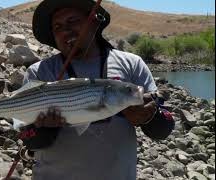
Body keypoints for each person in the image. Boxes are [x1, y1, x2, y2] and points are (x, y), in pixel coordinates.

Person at [20, 0, 175, 179]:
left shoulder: (132, 64)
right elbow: (27, 138)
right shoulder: (39, 72)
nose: (65, 30)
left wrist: (150, 117)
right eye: (57, 27)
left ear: (93, 21)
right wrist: (43, 130)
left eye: (73, 21)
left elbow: (164, 130)